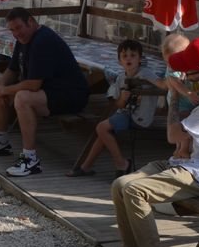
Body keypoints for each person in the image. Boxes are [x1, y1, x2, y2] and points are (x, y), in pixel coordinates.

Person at [102, 36, 199, 247]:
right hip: (184, 162)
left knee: (135, 190)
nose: (181, 72)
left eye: (186, 67)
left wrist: (172, 90)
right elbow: (182, 137)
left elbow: (173, 135)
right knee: (119, 185)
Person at [0, 7, 90, 177]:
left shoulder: (43, 40)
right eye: (12, 30)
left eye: (19, 28)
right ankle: (1, 142)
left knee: (22, 97)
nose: (16, 34)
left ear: (31, 21)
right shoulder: (23, 40)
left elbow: (34, 84)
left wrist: (5, 89)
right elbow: (12, 70)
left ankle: (31, 159)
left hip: (71, 95)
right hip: (48, 92)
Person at [66, 39, 161, 178]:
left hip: (140, 117)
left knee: (102, 128)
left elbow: (161, 84)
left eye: (133, 55)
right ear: (119, 61)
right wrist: (123, 98)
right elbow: (119, 105)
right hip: (125, 114)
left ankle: (122, 163)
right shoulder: (121, 78)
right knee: (103, 132)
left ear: (140, 59)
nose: (129, 59)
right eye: (125, 56)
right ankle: (86, 167)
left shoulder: (146, 73)